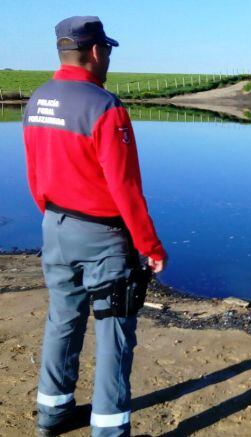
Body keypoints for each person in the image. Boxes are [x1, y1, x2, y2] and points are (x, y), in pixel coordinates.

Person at [23, 16, 167, 437]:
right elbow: (125, 188)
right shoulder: (105, 107)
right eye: (108, 52)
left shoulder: (37, 100)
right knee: (114, 331)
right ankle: (109, 429)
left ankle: (52, 414)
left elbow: (35, 174)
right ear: (97, 51)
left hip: (55, 226)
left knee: (63, 319)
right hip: (102, 236)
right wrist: (150, 245)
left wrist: (54, 218)